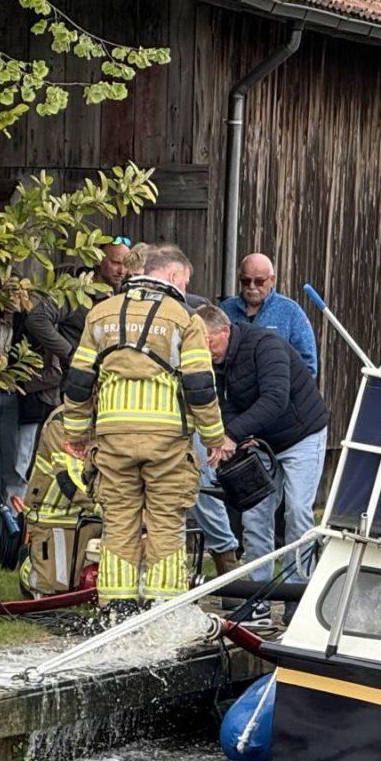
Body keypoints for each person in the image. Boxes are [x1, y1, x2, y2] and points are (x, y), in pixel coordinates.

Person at [63, 245, 230, 612]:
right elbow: (200, 387)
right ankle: (161, 611)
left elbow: (77, 383)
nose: (186, 289)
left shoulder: (100, 315)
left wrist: (75, 434)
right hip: (166, 444)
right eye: (185, 282)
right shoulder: (186, 321)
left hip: (113, 440)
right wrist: (215, 439)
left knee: (118, 523)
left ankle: (116, 611)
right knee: (166, 525)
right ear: (171, 277)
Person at [194, 302, 329, 606]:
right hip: (260, 439)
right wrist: (225, 435)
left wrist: (232, 435)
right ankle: (258, 600)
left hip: (302, 434)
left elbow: (275, 398)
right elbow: (222, 403)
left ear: (225, 331)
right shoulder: (214, 363)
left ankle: (297, 598)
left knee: (297, 513)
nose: (205, 351)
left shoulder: (266, 346)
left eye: (209, 343)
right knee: (255, 517)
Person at [0, 270, 71, 522]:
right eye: (4, 291)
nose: (10, 297)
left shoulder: (34, 324)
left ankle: (13, 532)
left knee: (15, 469)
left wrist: (17, 381)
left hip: (21, 402)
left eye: (16, 291)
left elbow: (55, 372)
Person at [18, 403, 101, 597]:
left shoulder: (114, 420)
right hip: (56, 516)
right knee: (54, 590)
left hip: (96, 514)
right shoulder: (62, 421)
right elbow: (70, 479)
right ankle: (29, 564)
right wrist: (109, 508)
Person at [221, 252, 318, 378]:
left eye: (259, 281)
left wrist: (286, 393)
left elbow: (308, 365)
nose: (251, 286)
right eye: (245, 281)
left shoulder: (291, 312)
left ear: (272, 280)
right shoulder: (225, 310)